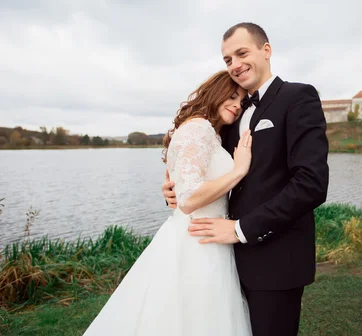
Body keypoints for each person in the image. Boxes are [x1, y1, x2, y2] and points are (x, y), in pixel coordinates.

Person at [163, 22, 329, 335]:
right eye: (227, 60)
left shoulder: (298, 97)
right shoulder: (232, 115)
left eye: (242, 53)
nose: (235, 65)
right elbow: (205, 169)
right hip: (223, 262)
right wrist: (173, 189)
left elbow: (311, 184)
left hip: (276, 262)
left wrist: (241, 229)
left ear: (266, 51)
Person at [84, 70, 253, 336]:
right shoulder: (198, 129)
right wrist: (238, 171)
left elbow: (183, 187)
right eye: (231, 96)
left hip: (208, 238)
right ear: (215, 94)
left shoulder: (210, 133)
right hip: (196, 244)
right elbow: (187, 199)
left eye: (242, 100)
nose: (236, 104)